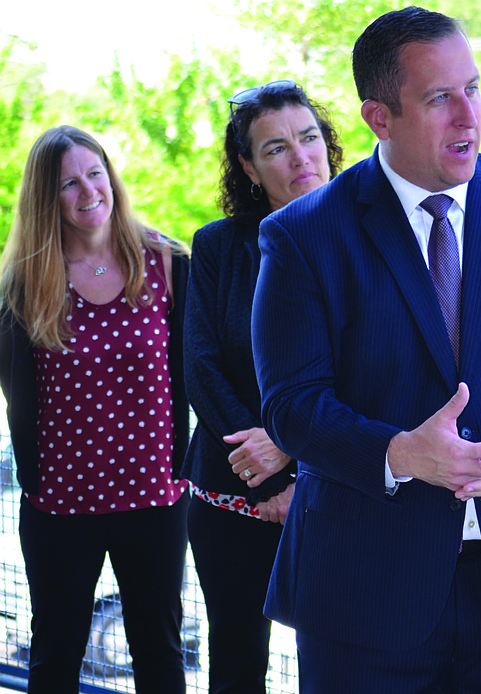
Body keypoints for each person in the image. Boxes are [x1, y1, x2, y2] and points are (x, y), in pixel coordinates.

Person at [250, 7, 481, 694]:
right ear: (379, 117)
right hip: (365, 589)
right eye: (438, 99)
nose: (469, 116)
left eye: (470, 88)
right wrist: (399, 453)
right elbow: (292, 406)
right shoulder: (302, 236)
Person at [0, 125, 190, 694]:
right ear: (45, 198)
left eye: (95, 174)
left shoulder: (166, 261)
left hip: (154, 499)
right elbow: (16, 389)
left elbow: (194, 375)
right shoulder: (24, 283)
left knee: (159, 656)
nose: (87, 192)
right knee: (56, 657)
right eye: (67, 184)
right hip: (60, 507)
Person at [180, 80, 342, 694]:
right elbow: (201, 366)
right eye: (275, 148)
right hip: (232, 494)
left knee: (336, 661)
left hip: (334, 488)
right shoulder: (218, 246)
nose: (300, 156)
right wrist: (269, 472)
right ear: (248, 166)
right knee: (237, 662)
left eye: (308, 139)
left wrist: (293, 457)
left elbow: (368, 374)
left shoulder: (368, 239)